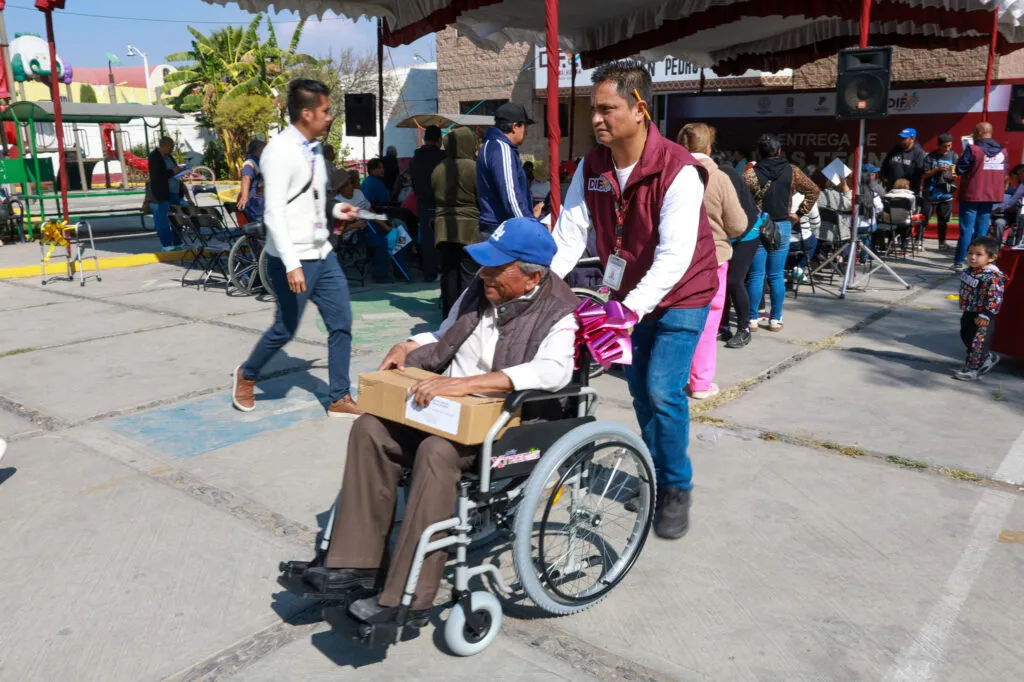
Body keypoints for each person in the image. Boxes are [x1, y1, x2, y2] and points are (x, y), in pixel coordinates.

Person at [303, 218, 579, 625]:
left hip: (506, 427)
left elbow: (553, 372)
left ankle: (409, 597)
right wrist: (409, 345)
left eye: (496, 268)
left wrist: (468, 384)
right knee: (369, 429)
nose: (484, 275)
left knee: (436, 452)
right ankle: (354, 564)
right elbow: (446, 333)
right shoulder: (479, 292)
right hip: (449, 413)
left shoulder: (560, 312)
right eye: (485, 264)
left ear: (531, 276)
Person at [550, 58, 718, 539]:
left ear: (640, 109)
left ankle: (676, 487)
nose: (597, 119)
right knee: (640, 392)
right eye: (593, 110)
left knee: (664, 391)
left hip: (682, 293)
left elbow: (674, 256)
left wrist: (625, 310)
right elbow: (569, 235)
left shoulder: (678, 170)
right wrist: (541, 289)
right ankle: (653, 472)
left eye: (608, 109)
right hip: (629, 295)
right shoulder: (593, 166)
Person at [232, 79, 362, 418]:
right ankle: (247, 375)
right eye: (325, 110)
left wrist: (336, 210)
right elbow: (274, 212)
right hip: (293, 258)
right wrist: (291, 264)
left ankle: (338, 396)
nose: (330, 116)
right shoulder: (279, 151)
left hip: (323, 252)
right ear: (306, 113)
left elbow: (313, 199)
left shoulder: (314, 149)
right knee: (285, 330)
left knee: (341, 323)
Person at [677, 123, 746, 400]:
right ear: (708, 147)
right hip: (713, 258)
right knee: (707, 321)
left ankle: (675, 376)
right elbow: (739, 224)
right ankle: (700, 382)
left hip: (676, 258)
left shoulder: (669, 174)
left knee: (675, 319)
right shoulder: (718, 179)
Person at [744, 133, 819, 333]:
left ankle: (752, 319)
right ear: (779, 152)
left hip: (759, 225)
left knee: (756, 274)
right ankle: (775, 319)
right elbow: (813, 190)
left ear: (758, 153)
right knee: (776, 275)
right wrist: (799, 214)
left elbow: (741, 199)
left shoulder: (751, 174)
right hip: (783, 225)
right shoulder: (792, 171)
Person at [712, 148, 760, 350]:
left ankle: (744, 328)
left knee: (734, 280)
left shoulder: (726, 174)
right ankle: (722, 326)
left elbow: (737, 215)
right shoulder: (720, 173)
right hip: (731, 235)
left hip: (746, 234)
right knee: (722, 281)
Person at [432, 126, 481, 317]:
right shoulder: (473, 168)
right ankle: (465, 317)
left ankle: (448, 317)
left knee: (448, 275)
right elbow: (481, 198)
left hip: (443, 228)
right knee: (468, 275)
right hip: (469, 228)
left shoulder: (438, 168)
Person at [954, 122, 1007, 271]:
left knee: (966, 230)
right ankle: (981, 263)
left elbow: (959, 170)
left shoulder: (973, 149)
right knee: (982, 231)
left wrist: (961, 158)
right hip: (990, 196)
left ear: (978, 133)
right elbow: (1005, 171)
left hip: (971, 194)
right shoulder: (1003, 151)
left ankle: (959, 261)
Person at [953, 236, 1006, 381]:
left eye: (978, 254)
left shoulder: (992, 277)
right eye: (970, 253)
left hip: (983, 316)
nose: (972, 257)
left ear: (991, 257)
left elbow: (995, 297)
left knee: (977, 343)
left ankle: (972, 369)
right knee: (967, 338)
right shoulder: (970, 271)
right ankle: (988, 357)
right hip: (969, 311)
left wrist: (986, 314)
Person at [477, 101, 534, 234]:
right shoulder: (502, 148)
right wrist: (531, 227)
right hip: (502, 228)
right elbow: (511, 198)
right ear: (515, 126)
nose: (526, 133)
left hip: (493, 226)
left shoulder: (489, 145)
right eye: (525, 127)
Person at [409, 125, 446, 281]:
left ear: (424, 139)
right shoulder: (444, 157)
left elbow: (413, 183)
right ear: (439, 139)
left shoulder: (415, 158)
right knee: (443, 241)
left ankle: (429, 273)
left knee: (427, 241)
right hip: (442, 204)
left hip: (423, 203)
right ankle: (442, 271)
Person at [148, 136, 186, 251]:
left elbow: (173, 170)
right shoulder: (155, 157)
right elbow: (157, 176)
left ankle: (177, 242)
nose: (172, 150)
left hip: (175, 192)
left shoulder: (169, 156)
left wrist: (180, 170)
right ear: (163, 146)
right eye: (170, 148)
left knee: (177, 218)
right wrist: (172, 171)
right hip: (163, 193)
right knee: (163, 219)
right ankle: (166, 244)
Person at [921, 133, 959, 251]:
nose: (947, 148)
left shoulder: (953, 155)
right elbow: (925, 175)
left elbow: (955, 174)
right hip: (931, 194)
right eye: (945, 146)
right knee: (925, 219)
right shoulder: (930, 157)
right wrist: (937, 169)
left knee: (943, 221)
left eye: (949, 145)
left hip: (946, 193)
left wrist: (950, 172)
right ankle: (918, 241)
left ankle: (942, 243)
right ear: (938, 145)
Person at [881, 127, 927, 193]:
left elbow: (920, 174)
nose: (901, 140)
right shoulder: (895, 149)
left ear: (912, 139)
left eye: (904, 138)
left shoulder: (919, 153)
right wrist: (884, 177)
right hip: (891, 189)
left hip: (909, 191)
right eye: (901, 137)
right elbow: (885, 164)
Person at [237, 139, 266, 222]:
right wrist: (244, 197)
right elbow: (246, 178)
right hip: (255, 202)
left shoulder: (257, 161)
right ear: (259, 148)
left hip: (259, 199)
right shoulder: (251, 161)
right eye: (265, 147)